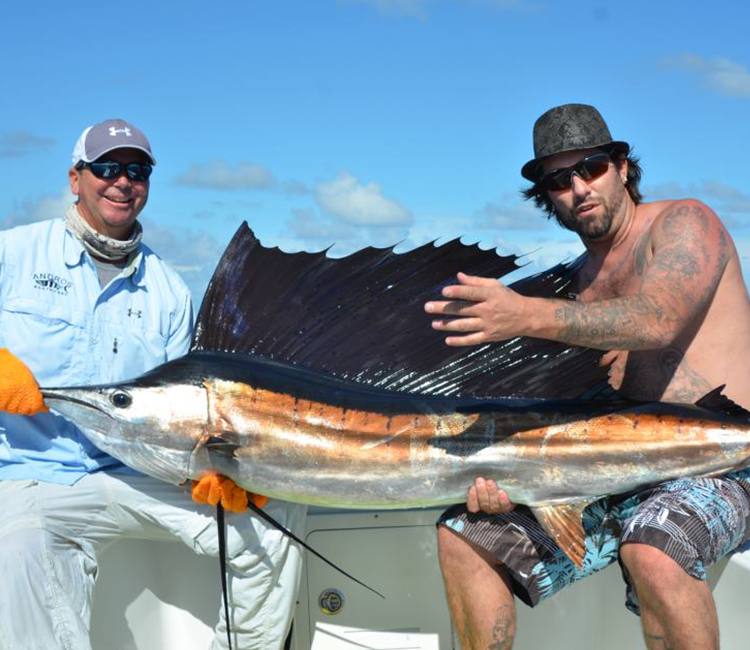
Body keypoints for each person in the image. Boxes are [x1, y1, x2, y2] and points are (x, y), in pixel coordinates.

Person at [424, 103, 750, 650]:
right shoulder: (571, 286)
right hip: (609, 473)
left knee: (654, 545)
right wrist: (510, 481)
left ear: (622, 166)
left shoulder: (685, 223)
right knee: (464, 535)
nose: (579, 187)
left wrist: (525, 314)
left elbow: (657, 319)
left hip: (726, 462)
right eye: (559, 179)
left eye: (591, 167)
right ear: (547, 195)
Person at [0, 119, 306, 650]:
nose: (122, 181)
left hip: (133, 473)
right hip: (29, 475)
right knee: (19, 552)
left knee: (276, 523)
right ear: (75, 178)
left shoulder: (167, 289)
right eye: (106, 168)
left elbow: (179, 414)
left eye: (136, 171)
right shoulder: (14, 254)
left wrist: (207, 469)